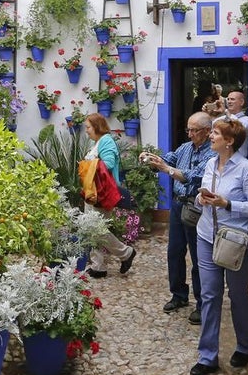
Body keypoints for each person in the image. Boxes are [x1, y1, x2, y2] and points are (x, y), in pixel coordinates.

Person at [189, 118, 248, 375]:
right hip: (206, 236)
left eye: (215, 133)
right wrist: (202, 199)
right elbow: (205, 201)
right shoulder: (210, 164)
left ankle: (245, 347)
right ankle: (207, 357)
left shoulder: (247, 170)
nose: (210, 136)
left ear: (230, 141)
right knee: (210, 296)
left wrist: (228, 203)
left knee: (238, 295)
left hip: (236, 241)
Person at [142, 112, 214, 325]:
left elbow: (191, 176)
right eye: (189, 130)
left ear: (207, 131)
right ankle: (179, 295)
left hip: (196, 206)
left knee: (198, 256)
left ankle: (202, 303)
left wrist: (168, 170)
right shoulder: (185, 147)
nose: (190, 134)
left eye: (195, 130)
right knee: (174, 251)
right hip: (177, 204)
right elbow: (169, 159)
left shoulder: (212, 154)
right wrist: (153, 159)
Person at [83, 113, 138, 278]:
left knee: (96, 228)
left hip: (102, 193)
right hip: (93, 192)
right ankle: (98, 266)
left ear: (97, 127)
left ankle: (126, 253)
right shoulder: (99, 142)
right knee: (94, 229)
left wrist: (87, 165)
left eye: (88, 127)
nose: (86, 131)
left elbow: (108, 164)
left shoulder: (106, 141)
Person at [224, 89, 248, 159]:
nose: (229, 102)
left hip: (238, 162)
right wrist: (212, 115)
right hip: (222, 161)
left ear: (241, 102)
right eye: (228, 99)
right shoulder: (223, 118)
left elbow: (238, 128)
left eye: (232, 99)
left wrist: (229, 115)